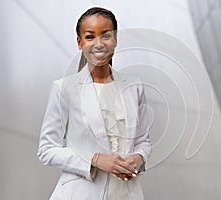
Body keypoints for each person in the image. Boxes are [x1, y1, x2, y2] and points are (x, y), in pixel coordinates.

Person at [37, 7, 152, 200]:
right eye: (90, 37)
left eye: (106, 36)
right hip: (81, 192)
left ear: (115, 40)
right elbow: (46, 150)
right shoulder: (63, 88)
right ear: (79, 42)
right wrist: (95, 160)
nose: (99, 44)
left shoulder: (134, 86)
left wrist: (138, 159)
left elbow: (143, 141)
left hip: (127, 192)